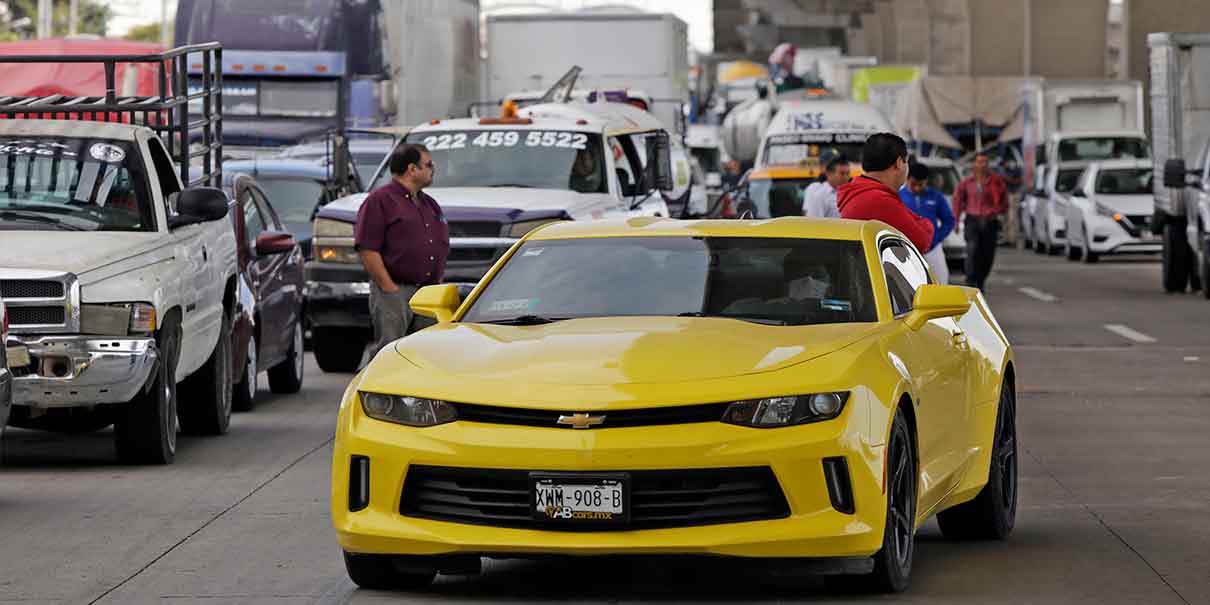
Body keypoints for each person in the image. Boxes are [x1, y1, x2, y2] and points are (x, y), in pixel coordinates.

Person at [354, 144, 449, 360]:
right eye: (428, 164)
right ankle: (378, 394)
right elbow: (368, 248)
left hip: (426, 294)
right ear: (412, 169)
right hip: (396, 292)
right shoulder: (380, 201)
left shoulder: (429, 204)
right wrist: (389, 288)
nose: (432, 169)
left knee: (425, 354)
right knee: (390, 352)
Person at [836, 133, 934, 253]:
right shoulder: (878, 200)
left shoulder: (862, 192)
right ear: (898, 163)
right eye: (906, 161)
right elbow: (922, 241)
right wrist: (928, 224)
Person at [954, 150, 1008, 290]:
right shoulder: (967, 183)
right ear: (975, 164)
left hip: (990, 221)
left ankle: (981, 280)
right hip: (972, 220)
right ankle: (971, 280)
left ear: (988, 164)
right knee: (972, 249)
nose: (982, 165)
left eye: (985, 162)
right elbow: (958, 201)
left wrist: (995, 211)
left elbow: (1004, 202)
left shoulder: (996, 182)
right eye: (979, 162)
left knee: (987, 254)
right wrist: (956, 220)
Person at [899, 162, 956, 284]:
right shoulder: (898, 196)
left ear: (926, 181)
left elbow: (949, 220)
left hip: (932, 248)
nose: (917, 188)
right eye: (913, 184)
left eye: (921, 185)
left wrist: (937, 237)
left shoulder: (936, 197)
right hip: (906, 249)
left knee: (940, 281)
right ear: (907, 179)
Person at [802, 153, 850, 218]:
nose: (846, 177)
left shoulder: (850, 193)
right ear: (829, 174)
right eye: (842, 173)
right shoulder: (819, 195)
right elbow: (814, 223)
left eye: (848, 173)